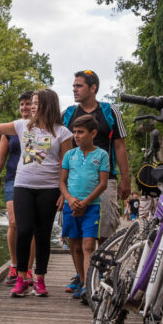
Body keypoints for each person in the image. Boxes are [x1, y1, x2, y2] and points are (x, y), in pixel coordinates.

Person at [0, 88, 73, 297]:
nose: (32, 106)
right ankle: (21, 279)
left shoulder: (63, 133)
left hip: (49, 189)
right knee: (24, 229)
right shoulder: (21, 126)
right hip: (23, 187)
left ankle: (40, 280)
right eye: (31, 102)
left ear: (47, 104)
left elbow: (67, 166)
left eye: (36, 102)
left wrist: (64, 193)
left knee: (43, 234)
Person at [62, 70, 130, 241]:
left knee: (105, 231)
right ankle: (82, 269)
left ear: (93, 88)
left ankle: (101, 268)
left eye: (79, 86)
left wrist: (125, 179)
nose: (74, 89)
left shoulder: (110, 111)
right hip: (75, 182)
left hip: (105, 181)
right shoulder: (67, 114)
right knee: (75, 236)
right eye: (73, 86)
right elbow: (59, 149)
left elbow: (120, 146)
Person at [59, 115, 110, 301]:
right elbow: (62, 182)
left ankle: (89, 286)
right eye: (74, 132)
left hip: (91, 207)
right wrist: (70, 199)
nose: (76, 136)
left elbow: (103, 183)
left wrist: (86, 202)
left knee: (88, 244)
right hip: (70, 206)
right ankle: (81, 280)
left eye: (81, 132)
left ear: (93, 133)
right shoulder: (69, 155)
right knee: (75, 246)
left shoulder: (102, 155)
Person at [0, 91, 36, 285]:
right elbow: (0, 158)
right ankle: (15, 265)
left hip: (32, 180)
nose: (25, 108)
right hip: (11, 179)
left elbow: (36, 159)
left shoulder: (39, 129)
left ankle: (29, 269)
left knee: (30, 226)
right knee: (14, 223)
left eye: (28, 104)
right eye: (22, 104)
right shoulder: (10, 129)